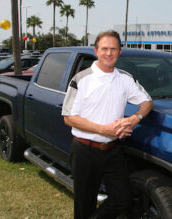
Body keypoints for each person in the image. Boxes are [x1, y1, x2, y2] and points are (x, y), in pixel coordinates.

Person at [62, 30, 153, 219]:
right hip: (85, 150)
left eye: (114, 49)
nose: (109, 53)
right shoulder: (81, 79)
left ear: (120, 52)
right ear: (96, 50)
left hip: (113, 150)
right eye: (105, 48)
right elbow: (69, 117)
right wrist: (102, 129)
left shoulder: (125, 79)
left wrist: (133, 119)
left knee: (122, 199)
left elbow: (147, 102)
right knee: (84, 204)